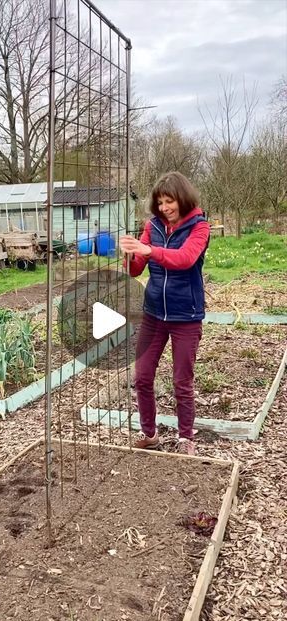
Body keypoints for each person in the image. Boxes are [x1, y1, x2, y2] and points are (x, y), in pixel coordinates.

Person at [119, 171, 210, 456]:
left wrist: (149, 250)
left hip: (186, 315)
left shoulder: (199, 227)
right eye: (159, 203)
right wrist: (130, 254)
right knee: (142, 376)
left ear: (182, 199)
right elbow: (136, 270)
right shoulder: (153, 227)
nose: (164, 208)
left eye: (169, 201)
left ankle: (186, 439)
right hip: (154, 314)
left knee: (182, 380)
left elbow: (184, 260)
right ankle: (149, 433)